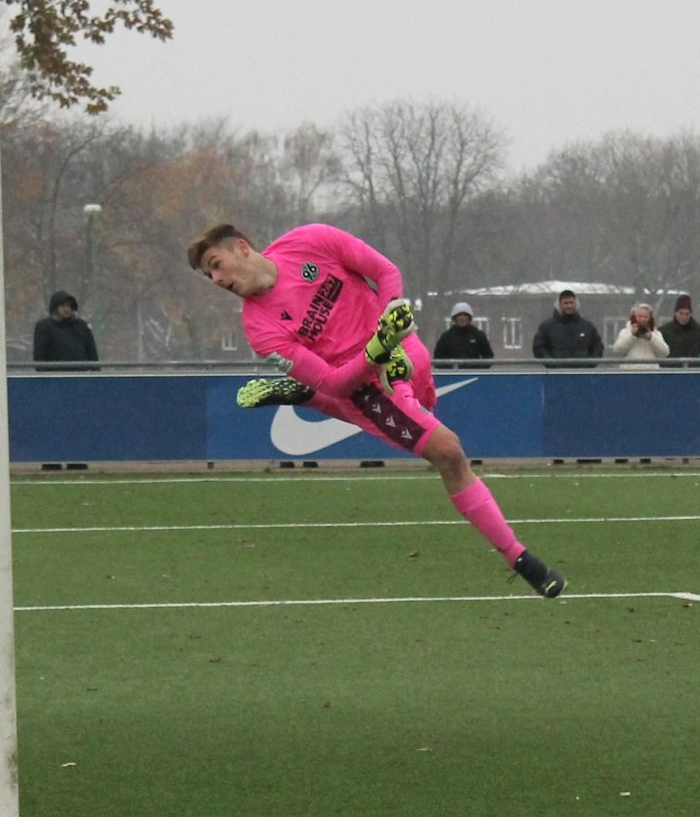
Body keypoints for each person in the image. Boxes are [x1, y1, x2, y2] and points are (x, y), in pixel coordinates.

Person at [186, 221, 566, 598]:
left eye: (216, 264)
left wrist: (389, 321)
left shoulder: (310, 240)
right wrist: (376, 351)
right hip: (363, 386)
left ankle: (305, 395)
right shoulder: (260, 328)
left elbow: (385, 272)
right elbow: (336, 382)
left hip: (404, 350)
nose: (216, 279)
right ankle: (518, 557)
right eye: (209, 275)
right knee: (449, 453)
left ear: (241, 247)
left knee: (422, 403)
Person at [530, 289, 603, 362]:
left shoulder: (588, 327)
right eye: (565, 303)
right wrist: (551, 363)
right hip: (556, 372)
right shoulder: (546, 327)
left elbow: (598, 346)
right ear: (559, 305)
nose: (569, 306)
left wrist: (590, 363)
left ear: (576, 304)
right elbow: (539, 348)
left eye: (571, 303)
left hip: (583, 371)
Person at [32, 291, 99, 367]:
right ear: (55, 307)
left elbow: (92, 354)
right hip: (55, 376)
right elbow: (39, 356)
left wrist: (95, 375)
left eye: (68, 306)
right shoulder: (44, 327)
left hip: (80, 376)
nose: (66, 309)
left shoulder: (81, 326)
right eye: (62, 306)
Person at [430, 301, 494, 367]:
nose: (462, 318)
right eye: (459, 315)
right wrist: (448, 372)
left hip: (474, 375)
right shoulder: (446, 337)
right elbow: (438, 358)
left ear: (469, 318)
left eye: (465, 315)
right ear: (455, 318)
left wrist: (479, 371)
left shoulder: (478, 335)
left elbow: (488, 356)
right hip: (452, 375)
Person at [660, 294, 700, 362]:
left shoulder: (699, 330)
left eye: (687, 314)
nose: (684, 317)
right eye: (681, 313)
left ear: (691, 314)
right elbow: (658, 351)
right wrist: (666, 366)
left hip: (692, 371)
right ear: (675, 313)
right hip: (671, 371)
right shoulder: (664, 331)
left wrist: (698, 365)